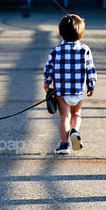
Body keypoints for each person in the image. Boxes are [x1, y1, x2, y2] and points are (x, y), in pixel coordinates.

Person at [43, 14, 96, 155]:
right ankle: (75, 131)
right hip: (78, 90)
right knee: (76, 113)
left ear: (60, 33)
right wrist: (91, 85)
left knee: (64, 117)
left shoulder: (55, 51)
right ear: (81, 33)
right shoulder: (85, 50)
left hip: (62, 91)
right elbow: (90, 69)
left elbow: (49, 68)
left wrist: (47, 82)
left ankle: (64, 145)